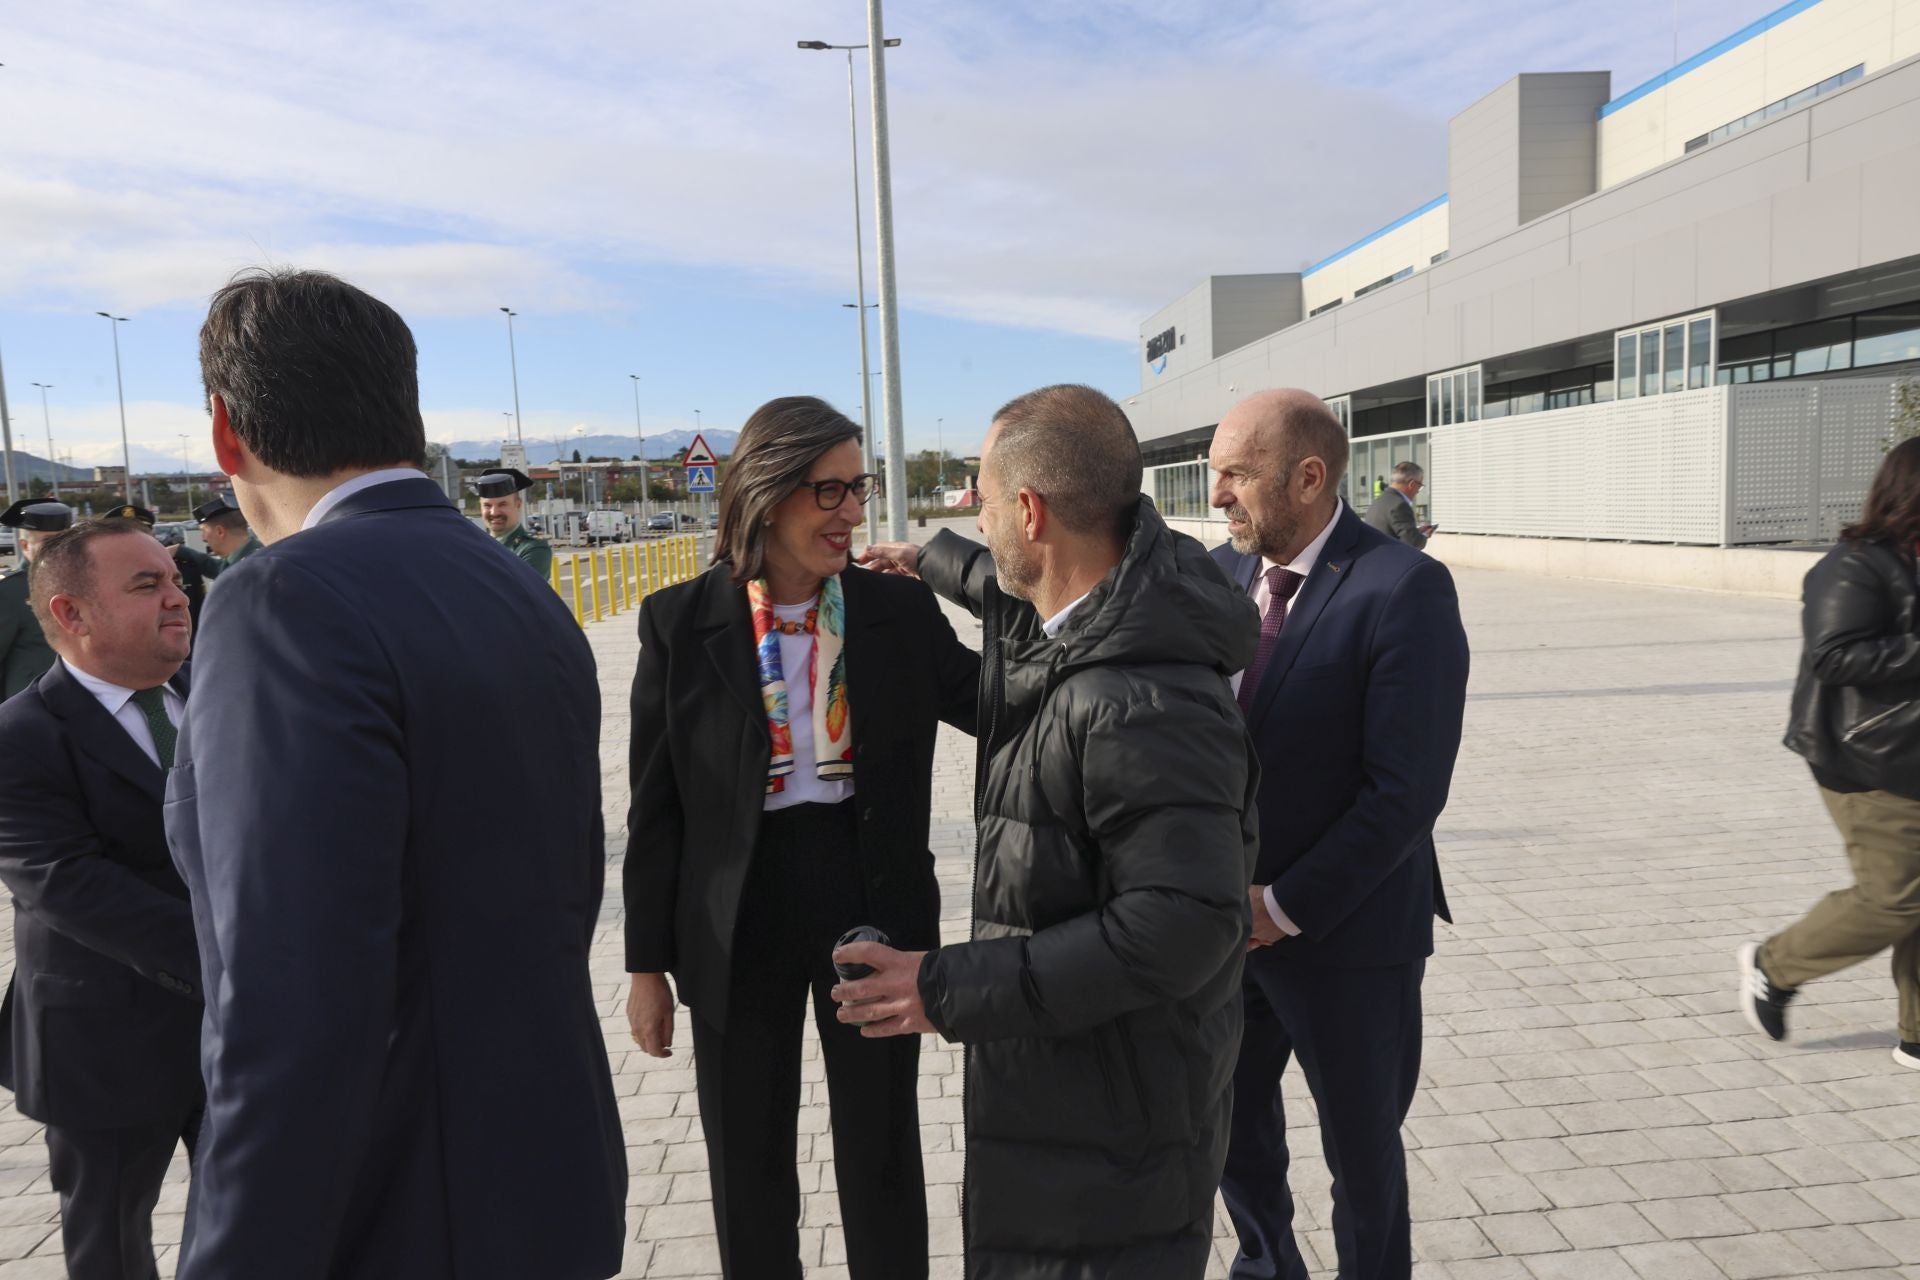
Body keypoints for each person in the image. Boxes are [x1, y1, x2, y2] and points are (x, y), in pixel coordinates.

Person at [165, 267, 626, 1279]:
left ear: (225, 431)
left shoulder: (282, 599)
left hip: (399, 1212)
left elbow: (289, 999)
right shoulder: (515, 590)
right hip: (549, 1179)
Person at [843, 383, 1259, 1280]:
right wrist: (929, 560)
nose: (977, 516)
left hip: (1110, 1144)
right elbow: (1003, 586)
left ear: (1028, 511)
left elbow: (1182, 925)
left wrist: (948, 986)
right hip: (1075, 1108)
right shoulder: (1102, 611)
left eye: (982, 500)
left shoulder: (1137, 699)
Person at [623, 396, 977, 1280]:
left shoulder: (894, 612)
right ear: (769, 494)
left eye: (860, 488)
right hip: (737, 914)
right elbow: (655, 808)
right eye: (832, 492)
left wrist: (968, 574)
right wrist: (644, 967)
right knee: (746, 1155)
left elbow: (1007, 705)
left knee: (882, 1145)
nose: (855, 511)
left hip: (870, 899)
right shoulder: (679, 621)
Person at [1207, 389, 1469, 1280]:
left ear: (1310, 477)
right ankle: (1267, 1266)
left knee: (1363, 1163)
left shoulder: (1404, 588)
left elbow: (1406, 792)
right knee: (1233, 1141)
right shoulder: (1216, 578)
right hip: (1225, 939)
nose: (1217, 496)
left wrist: (1283, 906)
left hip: (1350, 936)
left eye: (1235, 475)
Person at [0, 517, 203, 1280]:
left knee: (263, 1224)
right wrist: (244, 955)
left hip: (240, 1029)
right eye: (147, 585)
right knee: (111, 1243)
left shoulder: (221, 698)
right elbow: (68, 884)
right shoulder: (20, 737)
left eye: (176, 580)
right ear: (71, 614)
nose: (176, 598)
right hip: (103, 1044)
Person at [1743, 436, 1920, 1069]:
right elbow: (1836, 654)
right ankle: (1776, 963)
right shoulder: (1855, 564)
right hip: (1869, 756)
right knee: (1893, 897)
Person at [0, 498, 73, 699]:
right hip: (30, 710)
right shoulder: (8, 591)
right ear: (24, 546)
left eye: (65, 540)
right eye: (49, 542)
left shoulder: (84, 584)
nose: (59, 548)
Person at [475, 467, 554, 578]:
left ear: (518, 505)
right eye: (487, 506)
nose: (494, 512)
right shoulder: (475, 546)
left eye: (502, 504)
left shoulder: (533, 549)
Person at [171, 493, 263, 583]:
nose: (203, 538)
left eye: (204, 531)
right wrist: (179, 550)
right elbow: (215, 567)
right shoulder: (253, 558)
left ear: (220, 532)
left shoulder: (248, 568)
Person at [1363, 460, 1436, 549]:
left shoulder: (1377, 502)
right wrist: (1425, 534)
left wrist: (1416, 532)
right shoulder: (1400, 505)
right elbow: (1413, 544)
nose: (1418, 491)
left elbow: (1392, 532)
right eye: (1420, 485)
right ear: (1412, 484)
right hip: (1391, 560)